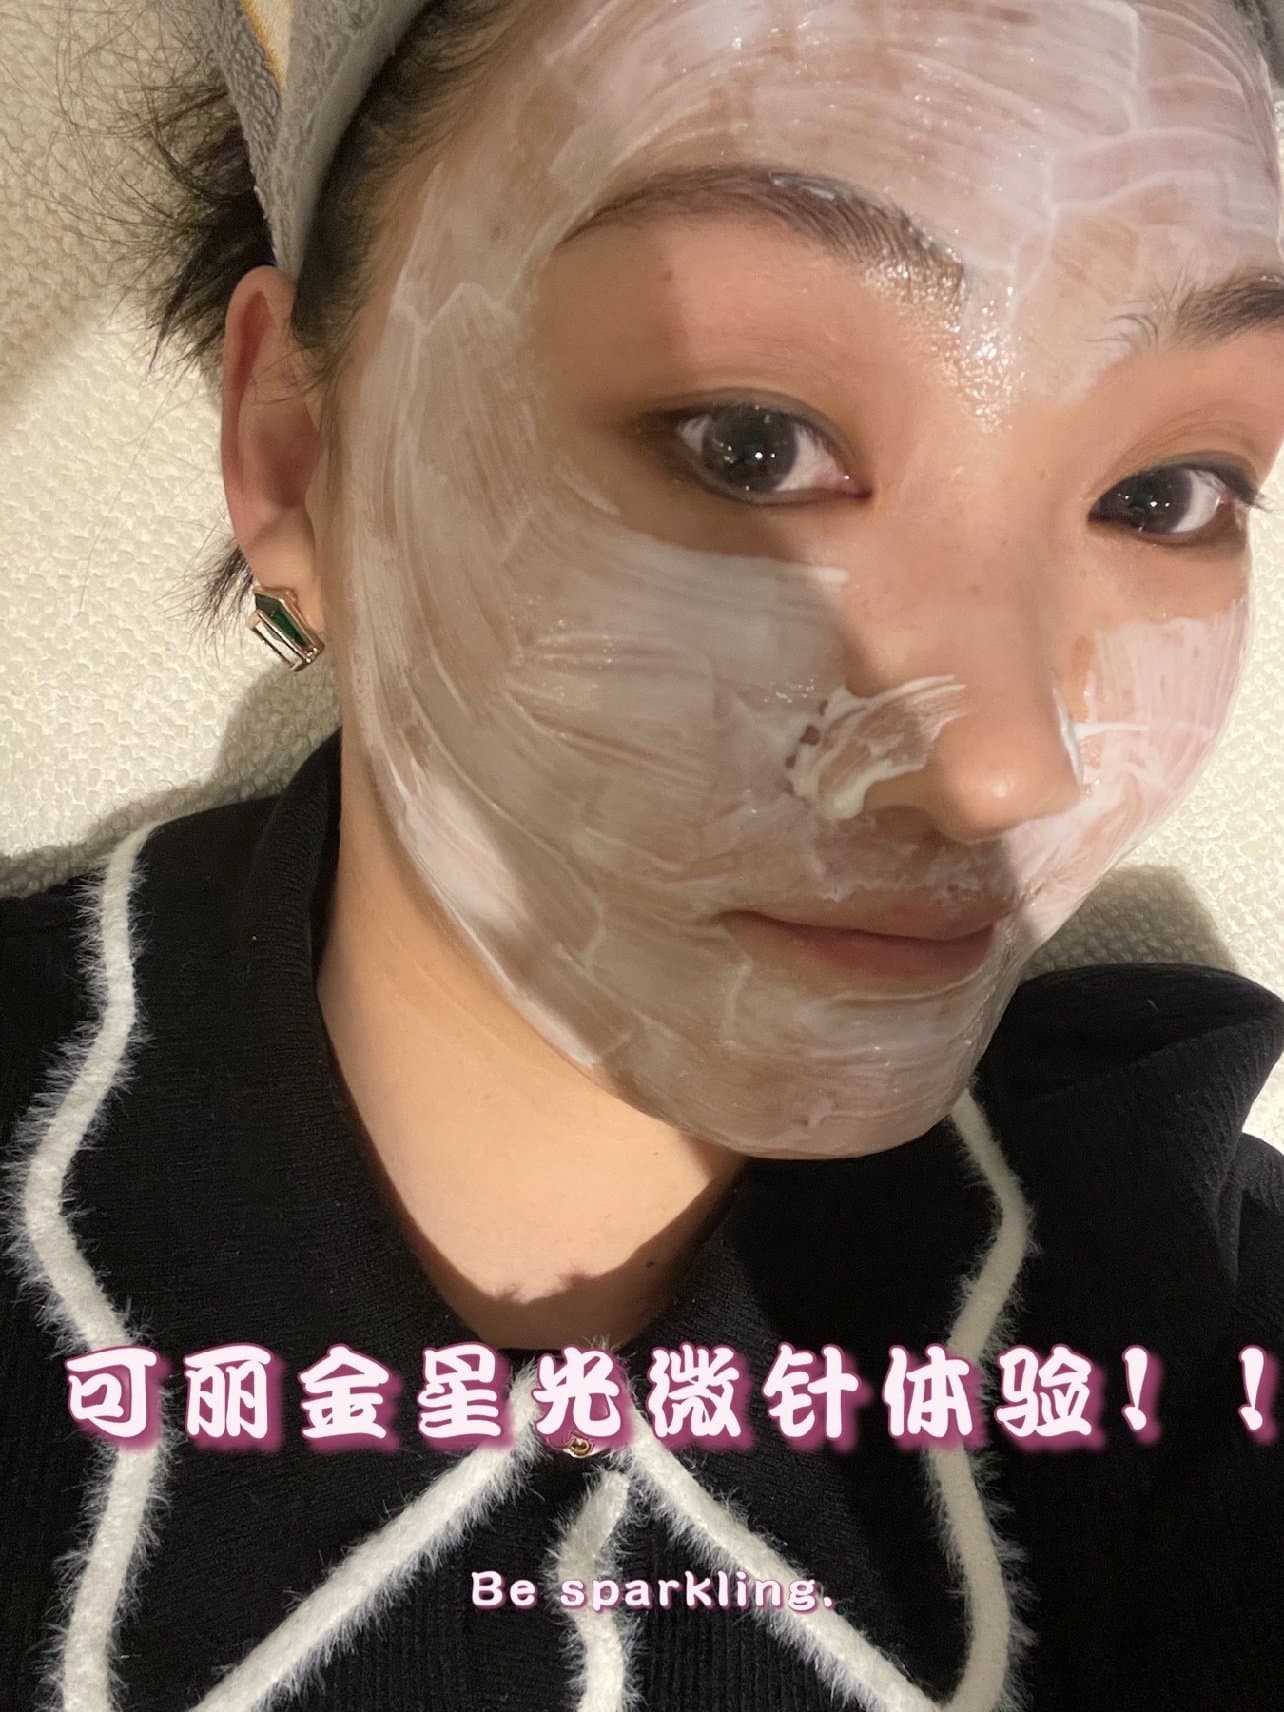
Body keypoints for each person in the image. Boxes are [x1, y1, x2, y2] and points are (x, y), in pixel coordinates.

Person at [4, 0, 1284, 1706]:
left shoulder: (1185, 1315)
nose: (1002, 770)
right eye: (747, 441)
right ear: (297, 451)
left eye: (1170, 493)